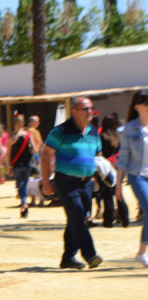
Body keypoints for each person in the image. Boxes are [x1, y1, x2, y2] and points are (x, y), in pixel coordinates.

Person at [41, 96, 103, 270]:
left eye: (91, 108)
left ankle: (68, 258)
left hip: (87, 183)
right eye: (85, 109)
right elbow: (45, 156)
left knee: (75, 221)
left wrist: (98, 175)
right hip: (65, 181)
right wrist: (46, 182)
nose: (90, 112)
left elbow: (98, 156)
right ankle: (90, 255)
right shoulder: (60, 131)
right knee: (77, 217)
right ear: (74, 111)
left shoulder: (93, 132)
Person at [115, 89, 148, 268]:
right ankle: (142, 253)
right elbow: (123, 157)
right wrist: (118, 184)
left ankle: (141, 254)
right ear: (137, 106)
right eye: (146, 103)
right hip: (137, 176)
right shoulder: (130, 128)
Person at [5, 115, 37, 218]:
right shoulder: (28, 135)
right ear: (23, 124)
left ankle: (23, 203)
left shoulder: (11, 137)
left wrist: (7, 165)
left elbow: (8, 153)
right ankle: (24, 203)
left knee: (20, 184)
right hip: (27, 163)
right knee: (25, 184)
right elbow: (35, 149)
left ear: (14, 124)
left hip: (16, 164)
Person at [100, 113, 128, 227]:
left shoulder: (102, 136)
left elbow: (101, 153)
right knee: (119, 193)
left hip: (106, 167)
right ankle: (125, 219)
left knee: (107, 194)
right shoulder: (119, 136)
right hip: (118, 166)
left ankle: (108, 220)